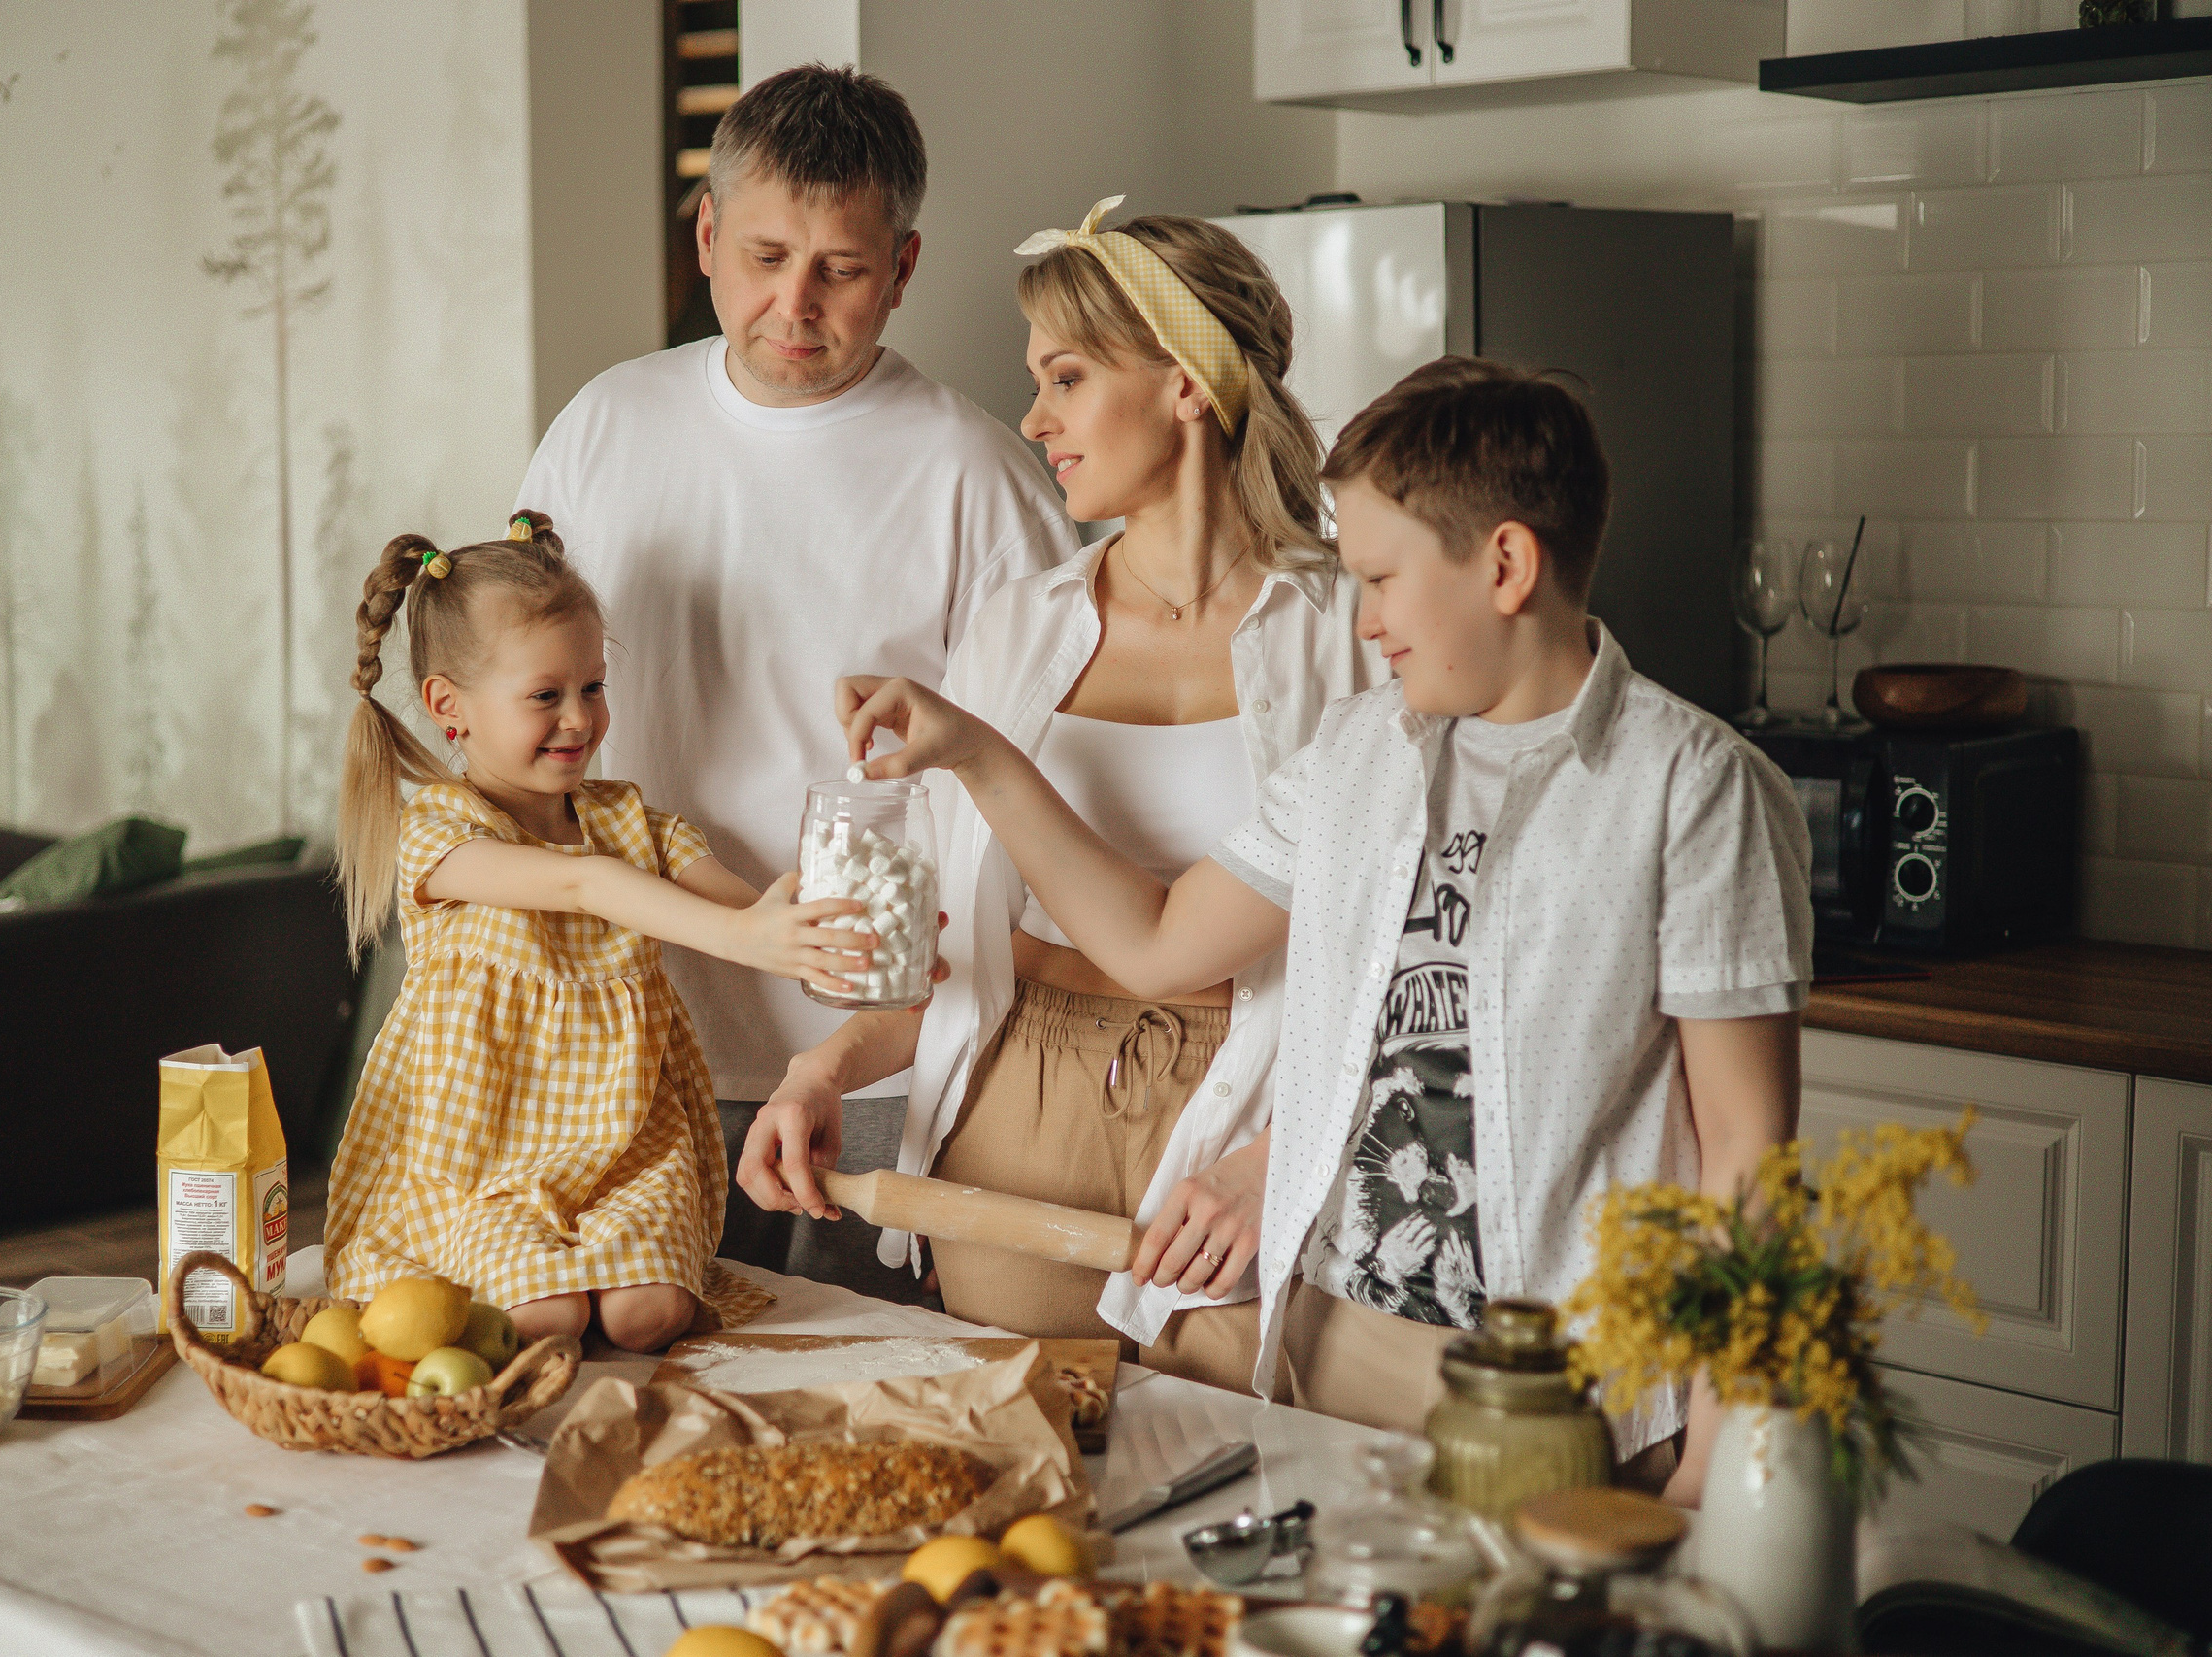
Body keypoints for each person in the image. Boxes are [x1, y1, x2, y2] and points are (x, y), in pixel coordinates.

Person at [827, 359, 1813, 1497]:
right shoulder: (1355, 750)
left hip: (1557, 1386)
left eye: (1382, 580)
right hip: (1311, 1339)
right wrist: (978, 754)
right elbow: (1154, 939)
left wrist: (1712, 1453)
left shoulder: (1695, 789)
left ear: (1505, 565)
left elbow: (1747, 1154)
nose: (1368, 621)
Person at [736, 197, 1382, 1391]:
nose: (1035, 420)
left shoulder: (1351, 632)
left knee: (1240, 1483)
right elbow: (939, 953)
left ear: (1186, 383)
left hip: (1249, 1124)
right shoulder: (1016, 633)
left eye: (1067, 379)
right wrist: (820, 1070)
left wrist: (1277, 1159)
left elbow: (1406, 974)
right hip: (1015, 1118)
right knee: (1033, 1482)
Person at [513, 65, 1071, 1295]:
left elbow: (1046, 793)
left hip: (865, 1066)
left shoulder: (978, 478)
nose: (794, 302)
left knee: (849, 1407)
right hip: (622, 1032)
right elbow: (517, 706)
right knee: (622, 1391)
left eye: (842, 269)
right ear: (707, 234)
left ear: (906, 268)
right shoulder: (603, 428)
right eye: (765, 255)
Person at [322, 513, 878, 1351]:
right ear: (450, 706)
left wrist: (808, 924)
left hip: (628, 1146)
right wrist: (744, 939)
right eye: (546, 696)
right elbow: (582, 885)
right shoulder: (439, 832)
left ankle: (630, 1292)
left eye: (593, 686)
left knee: (643, 1316)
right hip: (483, 1164)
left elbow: (744, 910)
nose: (579, 719)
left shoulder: (631, 820)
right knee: (546, 1318)